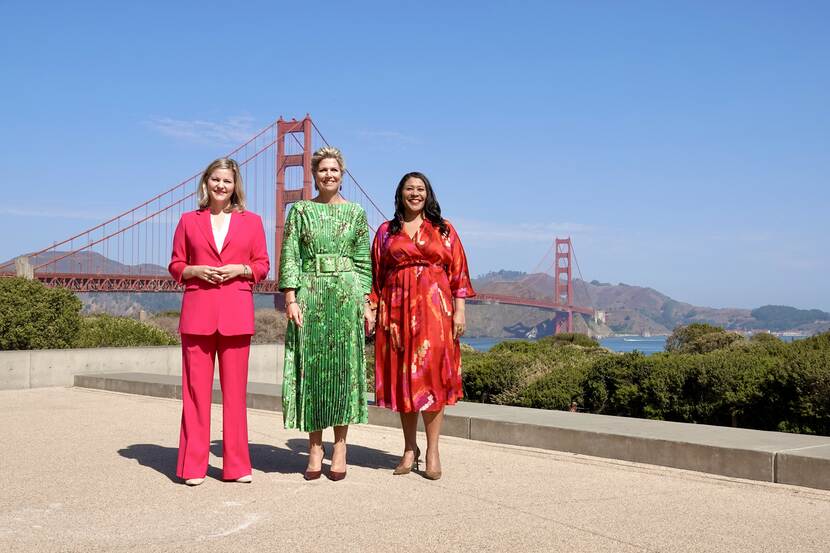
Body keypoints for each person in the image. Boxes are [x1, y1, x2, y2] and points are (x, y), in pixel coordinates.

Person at [168, 158, 269, 486]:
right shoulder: (187, 221)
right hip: (197, 314)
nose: (221, 186)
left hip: (237, 315)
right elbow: (175, 264)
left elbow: (262, 265)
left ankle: (237, 466)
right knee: (195, 394)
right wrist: (194, 271)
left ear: (234, 185)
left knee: (235, 395)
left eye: (227, 181)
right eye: (215, 180)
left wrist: (240, 269)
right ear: (205, 183)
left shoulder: (252, 222)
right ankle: (192, 466)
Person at [369, 171, 475, 480]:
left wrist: (459, 311)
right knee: (405, 379)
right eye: (409, 189)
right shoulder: (386, 231)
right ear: (400, 194)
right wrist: (373, 309)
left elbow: (458, 273)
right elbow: (376, 274)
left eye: (420, 189)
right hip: (397, 314)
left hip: (435, 312)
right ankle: (408, 448)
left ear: (427, 194)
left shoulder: (444, 229)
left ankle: (432, 450)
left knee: (431, 379)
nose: (415, 193)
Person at [279, 146, 373, 481]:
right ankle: (315, 446)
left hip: (346, 296)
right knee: (314, 369)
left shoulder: (357, 213)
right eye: (323, 171)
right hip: (311, 294)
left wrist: (367, 304)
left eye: (334, 170)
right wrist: (290, 298)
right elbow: (290, 254)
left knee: (343, 370)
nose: (328, 175)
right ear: (314, 175)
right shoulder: (300, 211)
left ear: (342, 175)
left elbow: (363, 261)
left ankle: (341, 445)